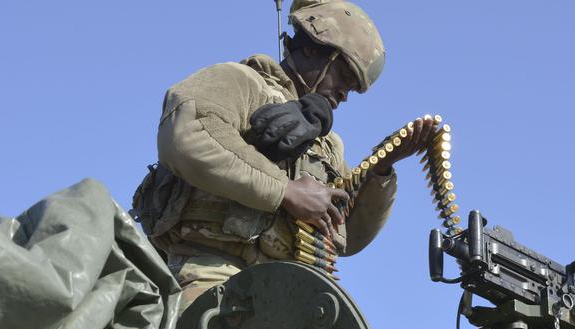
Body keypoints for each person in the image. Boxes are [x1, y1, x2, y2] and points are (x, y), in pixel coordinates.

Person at [136, 0, 435, 310]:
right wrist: (285, 191)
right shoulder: (243, 82)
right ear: (312, 48)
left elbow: (349, 235)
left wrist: (381, 170)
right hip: (212, 274)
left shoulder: (328, 145)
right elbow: (188, 136)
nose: (346, 93)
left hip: (287, 297)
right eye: (345, 75)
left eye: (354, 87)